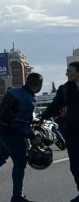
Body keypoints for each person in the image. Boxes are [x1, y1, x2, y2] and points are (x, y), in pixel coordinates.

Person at [0, 73, 44, 202]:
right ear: (39, 85)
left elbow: (6, 112)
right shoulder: (28, 100)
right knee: (20, 163)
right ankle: (17, 196)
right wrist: (32, 136)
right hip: (12, 134)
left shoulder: (14, 91)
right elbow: (18, 123)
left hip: (1, 131)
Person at [40, 61, 79, 202]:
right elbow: (56, 105)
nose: (67, 73)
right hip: (73, 132)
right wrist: (43, 117)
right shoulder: (65, 89)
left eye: (70, 70)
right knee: (76, 165)